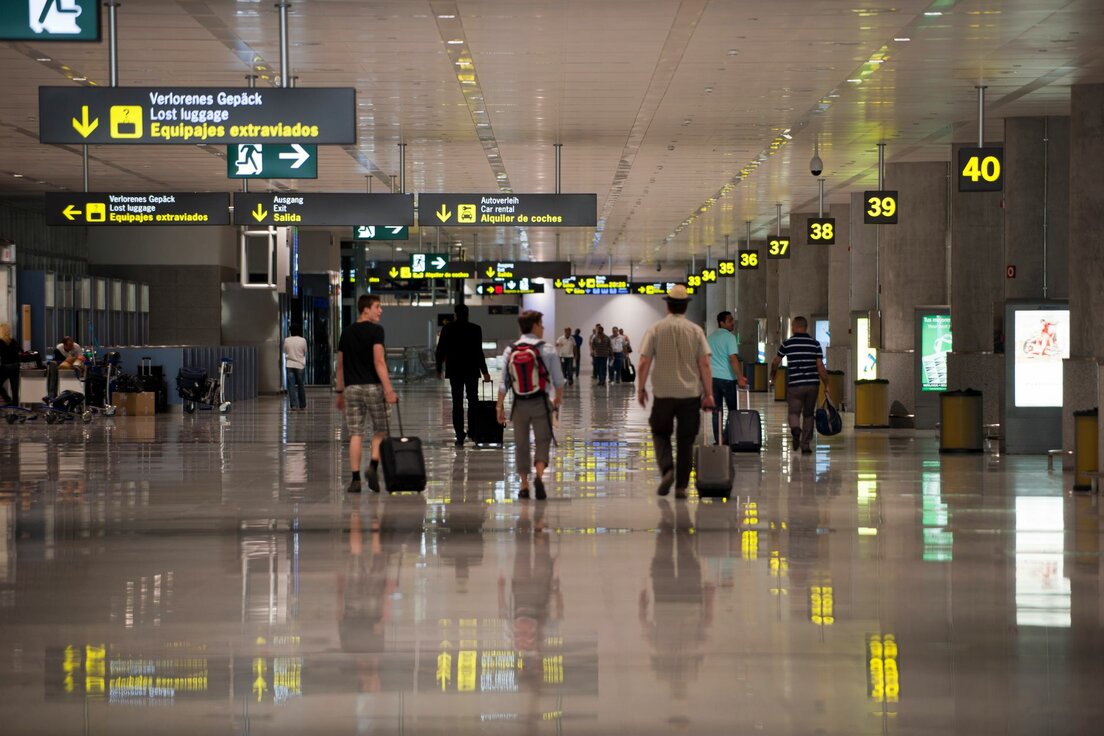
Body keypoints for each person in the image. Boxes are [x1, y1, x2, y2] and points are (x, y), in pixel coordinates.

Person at [636, 285, 714, 499]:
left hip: (663, 394)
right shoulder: (696, 331)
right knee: (686, 441)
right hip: (690, 395)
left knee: (660, 433)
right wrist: (708, 394)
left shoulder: (656, 329)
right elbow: (705, 364)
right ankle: (681, 487)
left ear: (667, 306)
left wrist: (641, 389)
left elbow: (643, 362)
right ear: (685, 307)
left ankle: (667, 469)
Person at [496, 310, 565, 500]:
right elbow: (559, 382)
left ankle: (524, 485)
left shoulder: (510, 350)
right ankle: (540, 477)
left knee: (521, 443)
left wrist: (499, 407)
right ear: (534, 325)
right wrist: (557, 402)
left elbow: (504, 383)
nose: (543, 328)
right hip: (541, 402)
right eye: (541, 324)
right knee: (543, 440)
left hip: (519, 404)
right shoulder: (548, 349)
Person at [336, 294, 399, 493]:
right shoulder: (376, 331)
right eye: (377, 307)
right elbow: (379, 361)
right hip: (373, 387)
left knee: (355, 433)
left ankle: (355, 480)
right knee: (381, 429)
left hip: (352, 389)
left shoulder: (346, 332)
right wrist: (389, 389)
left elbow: (340, 366)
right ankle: (372, 467)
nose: (380, 311)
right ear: (366, 309)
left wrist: (340, 392)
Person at [770, 315, 830, 454]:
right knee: (809, 414)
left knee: (793, 412)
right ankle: (805, 445)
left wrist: (773, 373)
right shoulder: (814, 344)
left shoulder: (788, 343)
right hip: (812, 384)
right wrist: (826, 383)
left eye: (792, 326)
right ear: (806, 327)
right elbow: (820, 366)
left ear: (796, 327)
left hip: (795, 384)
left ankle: (796, 428)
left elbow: (776, 361)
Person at [435, 303, 492, 446]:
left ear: (455, 314)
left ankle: (459, 434)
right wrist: (484, 371)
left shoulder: (447, 329)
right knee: (473, 400)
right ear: (467, 315)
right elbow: (479, 352)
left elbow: (440, 350)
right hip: (472, 370)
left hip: (455, 371)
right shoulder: (475, 329)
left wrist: (438, 368)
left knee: (457, 401)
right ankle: (472, 431)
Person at [707, 311, 748, 443]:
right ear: (722, 323)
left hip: (713, 379)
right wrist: (740, 377)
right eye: (730, 320)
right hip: (728, 379)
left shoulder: (710, 338)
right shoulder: (730, 337)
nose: (733, 323)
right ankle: (729, 438)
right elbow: (733, 358)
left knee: (716, 412)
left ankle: (719, 440)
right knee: (732, 411)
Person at [283, 324, 308, 411]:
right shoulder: (303, 340)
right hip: (300, 365)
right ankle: (302, 404)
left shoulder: (287, 340)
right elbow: (305, 351)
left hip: (290, 364)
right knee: (301, 385)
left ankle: (293, 405)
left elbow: (285, 350)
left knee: (291, 386)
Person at [0, 323, 20, 406]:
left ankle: (7, 399)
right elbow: (20, 351)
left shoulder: (0, 341)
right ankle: (15, 405)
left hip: (5, 366)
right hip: (15, 366)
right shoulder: (13, 341)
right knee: (14, 388)